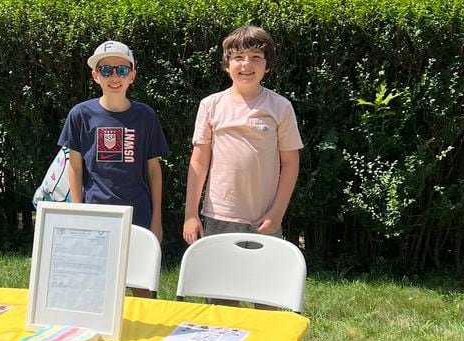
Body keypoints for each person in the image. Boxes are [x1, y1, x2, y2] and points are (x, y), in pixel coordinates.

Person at [58, 40, 169, 297]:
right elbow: (74, 167)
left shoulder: (146, 116)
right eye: (106, 71)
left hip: (138, 215)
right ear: (96, 76)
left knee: (143, 289)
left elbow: (154, 170)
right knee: (98, 290)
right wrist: (78, 212)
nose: (114, 77)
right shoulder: (80, 114)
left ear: (133, 75)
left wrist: (157, 220)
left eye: (121, 70)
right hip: (97, 214)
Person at [183, 26, 303, 247]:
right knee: (220, 280)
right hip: (219, 216)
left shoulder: (280, 107)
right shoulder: (211, 105)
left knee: (261, 279)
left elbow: (290, 163)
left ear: (268, 66)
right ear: (227, 65)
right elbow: (199, 162)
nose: (246, 64)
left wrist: (276, 213)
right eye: (238, 57)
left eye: (256, 57)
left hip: (264, 218)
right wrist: (191, 214)